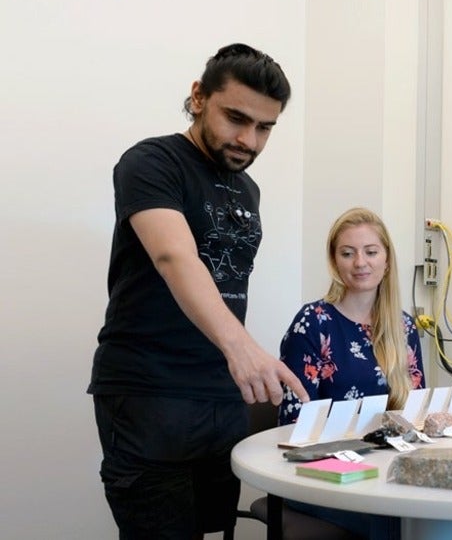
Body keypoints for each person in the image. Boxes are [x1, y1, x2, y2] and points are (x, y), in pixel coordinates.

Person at [88, 43, 309, 539]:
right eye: (236, 118)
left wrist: (237, 365)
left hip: (220, 394)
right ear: (198, 97)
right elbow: (175, 258)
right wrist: (244, 349)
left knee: (211, 530)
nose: (249, 139)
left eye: (265, 127)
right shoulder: (151, 162)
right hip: (150, 394)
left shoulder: (246, 190)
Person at [278, 207, 425, 540]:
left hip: (382, 471)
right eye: (348, 253)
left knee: (430, 507)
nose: (361, 262)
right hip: (319, 476)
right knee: (392, 520)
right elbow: (293, 424)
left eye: (371, 252)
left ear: (387, 260)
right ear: (335, 262)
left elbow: (414, 411)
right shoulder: (313, 323)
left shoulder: (403, 326)